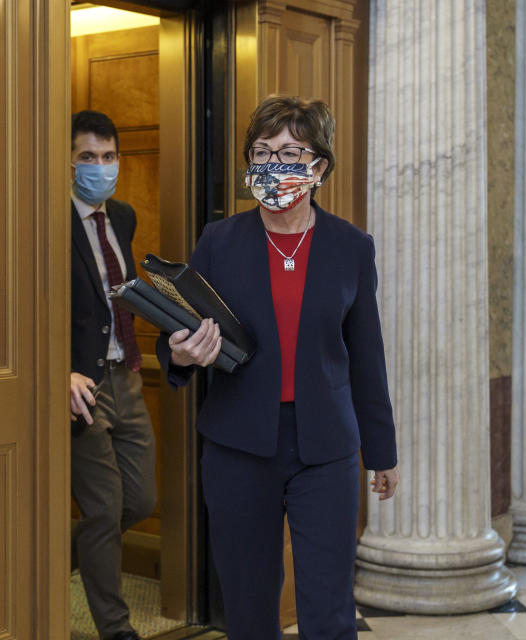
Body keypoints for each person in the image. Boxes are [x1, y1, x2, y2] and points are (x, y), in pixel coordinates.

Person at [157, 96, 399, 639]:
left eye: (289, 152)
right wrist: (178, 353)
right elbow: (179, 326)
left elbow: (367, 355)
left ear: (318, 167)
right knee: (247, 601)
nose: (272, 166)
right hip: (238, 444)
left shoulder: (350, 247)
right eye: (261, 153)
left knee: (329, 605)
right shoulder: (219, 241)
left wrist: (381, 453)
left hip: (327, 449)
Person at [69, 109, 155, 640]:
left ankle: (65, 551)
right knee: (103, 510)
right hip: (83, 386)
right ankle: (117, 629)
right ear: (68, 160)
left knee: (140, 501)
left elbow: (120, 290)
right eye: (87, 157)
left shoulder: (121, 216)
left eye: (107, 157)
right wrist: (58, 370)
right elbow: (30, 305)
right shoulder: (46, 218)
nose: (99, 167)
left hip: (127, 376)